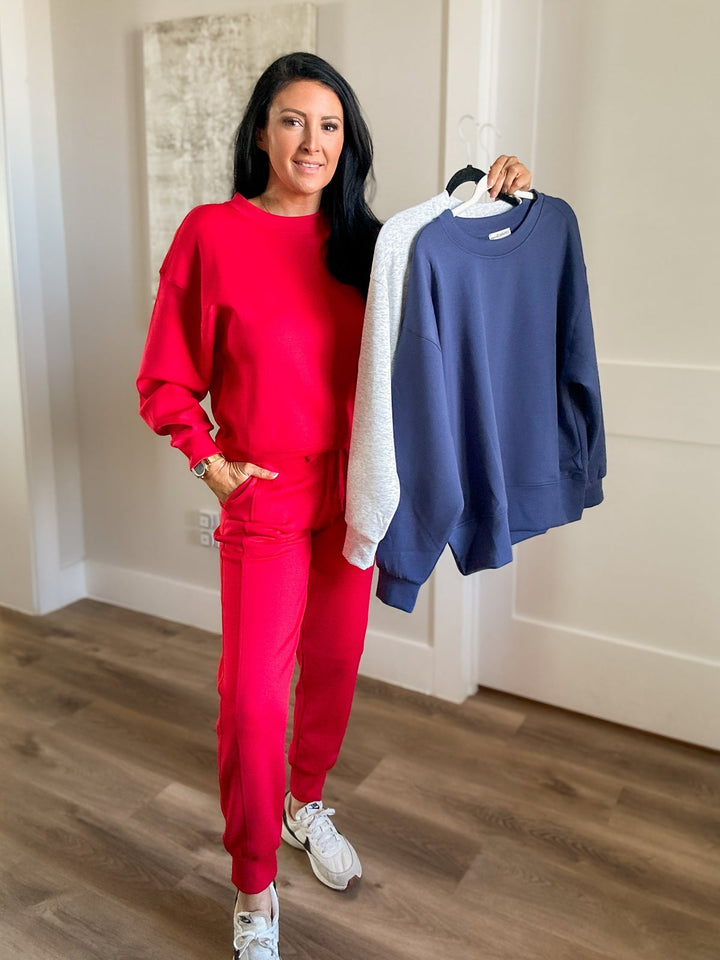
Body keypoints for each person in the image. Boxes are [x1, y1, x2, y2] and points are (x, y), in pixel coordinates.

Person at [137, 51, 531, 960]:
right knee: (248, 700)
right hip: (265, 494)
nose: (311, 142)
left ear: (345, 142)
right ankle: (252, 887)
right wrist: (209, 463)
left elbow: (459, 261)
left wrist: (496, 190)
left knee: (337, 663)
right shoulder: (211, 234)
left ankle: (304, 800)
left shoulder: (372, 245)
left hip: (357, 490)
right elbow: (164, 377)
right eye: (292, 121)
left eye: (329, 126)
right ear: (260, 131)